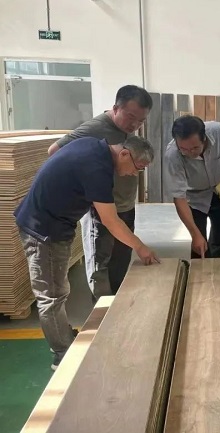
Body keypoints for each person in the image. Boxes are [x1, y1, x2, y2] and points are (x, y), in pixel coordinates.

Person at [15, 136, 160, 370]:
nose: (134, 174)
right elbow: (111, 221)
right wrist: (140, 247)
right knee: (52, 296)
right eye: (138, 168)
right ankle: (63, 354)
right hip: (44, 230)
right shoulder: (97, 169)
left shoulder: (94, 147)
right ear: (125, 154)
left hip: (53, 223)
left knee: (59, 290)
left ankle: (63, 337)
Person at [48, 85, 153, 299]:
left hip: (125, 206)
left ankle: (117, 304)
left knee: (121, 260)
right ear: (115, 108)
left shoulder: (127, 129)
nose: (134, 125)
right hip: (102, 209)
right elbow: (54, 152)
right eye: (131, 117)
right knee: (100, 266)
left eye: (141, 121)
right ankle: (102, 310)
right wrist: (86, 189)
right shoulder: (95, 128)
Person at [164, 115, 220, 259]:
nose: (189, 153)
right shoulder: (173, 155)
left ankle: (215, 265)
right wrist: (195, 235)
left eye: (195, 148)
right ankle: (198, 270)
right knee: (199, 243)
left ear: (204, 138)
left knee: (219, 238)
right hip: (194, 198)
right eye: (184, 149)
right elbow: (179, 198)